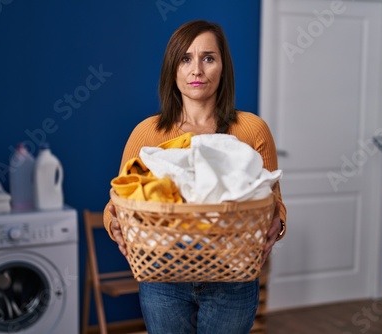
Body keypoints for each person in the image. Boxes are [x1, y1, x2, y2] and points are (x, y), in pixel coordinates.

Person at [104, 19, 287, 334]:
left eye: (209, 58)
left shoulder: (251, 129)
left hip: (233, 275)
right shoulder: (147, 134)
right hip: (163, 276)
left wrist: (277, 222)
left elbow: (272, 202)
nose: (197, 69)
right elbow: (120, 201)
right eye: (186, 58)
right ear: (172, 69)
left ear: (222, 68)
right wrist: (115, 225)